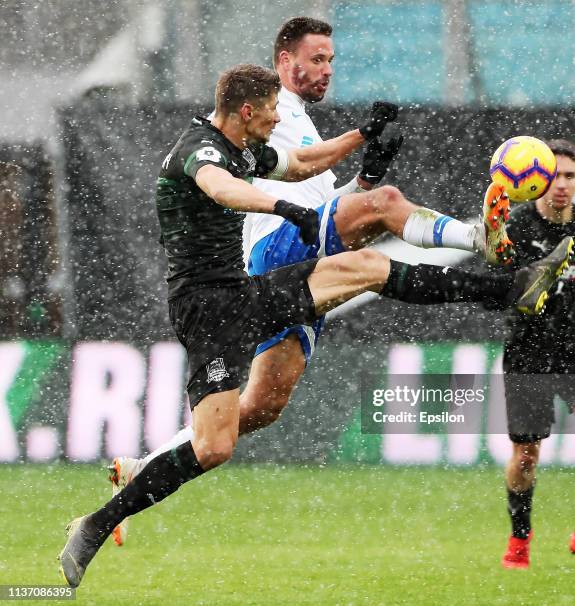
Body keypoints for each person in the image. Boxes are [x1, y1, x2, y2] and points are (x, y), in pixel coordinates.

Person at [57, 63, 572, 587]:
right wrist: (285, 208)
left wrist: (359, 137)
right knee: (214, 446)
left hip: (244, 292)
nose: (279, 117)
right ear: (248, 111)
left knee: (367, 269)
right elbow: (223, 190)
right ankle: (96, 525)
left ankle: (512, 290)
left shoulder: (245, 148)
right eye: (273, 109)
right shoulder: (202, 150)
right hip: (206, 312)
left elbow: (301, 163)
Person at [107, 16, 516, 547]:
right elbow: (280, 179)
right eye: (316, 59)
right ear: (284, 62)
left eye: (331, 60)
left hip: (297, 250)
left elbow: (320, 196)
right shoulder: (263, 113)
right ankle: (478, 238)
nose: (326, 70)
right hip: (274, 247)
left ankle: (144, 467)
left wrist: (364, 170)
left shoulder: (295, 119)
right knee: (387, 205)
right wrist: (363, 183)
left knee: (261, 407)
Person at [500, 139, 575, 569]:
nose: (561, 185)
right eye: (552, 176)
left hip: (574, 347)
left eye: (570, 176)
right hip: (528, 351)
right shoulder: (517, 228)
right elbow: (502, 287)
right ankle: (519, 540)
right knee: (527, 454)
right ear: (536, 180)